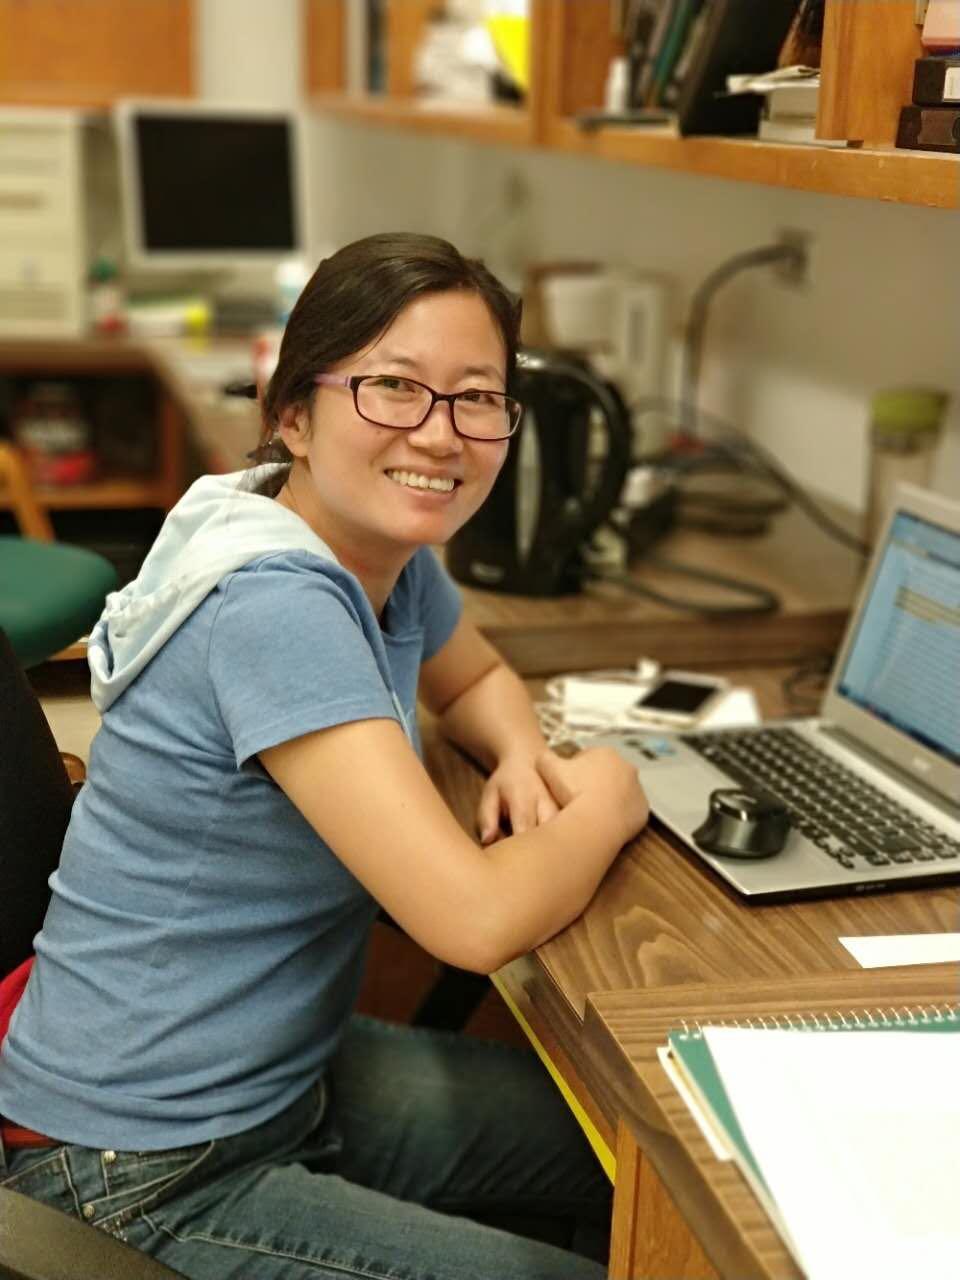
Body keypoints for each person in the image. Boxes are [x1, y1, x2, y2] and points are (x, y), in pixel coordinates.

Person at [0, 233, 648, 1279]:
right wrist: (609, 796)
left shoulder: (364, 540)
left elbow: (475, 678)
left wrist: (523, 752)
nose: (439, 433)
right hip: (138, 1162)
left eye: (477, 397)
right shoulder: (276, 605)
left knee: (642, 1150)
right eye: (394, 386)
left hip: (277, 1077)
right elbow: (473, 921)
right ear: (293, 413)